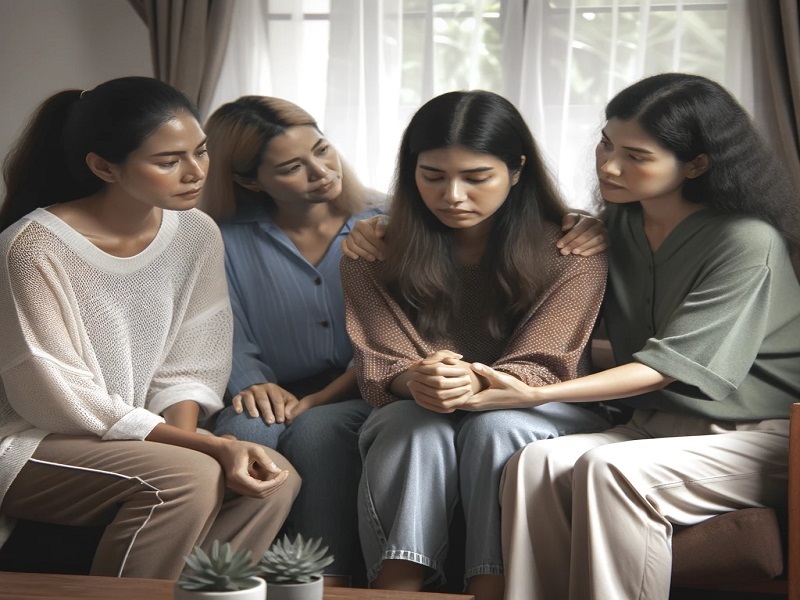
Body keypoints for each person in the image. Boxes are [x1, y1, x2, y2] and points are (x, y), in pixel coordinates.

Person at [466, 73, 800, 599]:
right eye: (605, 143)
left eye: (636, 157)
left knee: (608, 470)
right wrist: (377, 226)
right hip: (655, 427)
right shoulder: (614, 227)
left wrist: (536, 393)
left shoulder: (746, 242)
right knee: (536, 463)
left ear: (696, 164)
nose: (608, 165)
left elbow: (666, 364)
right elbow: (500, 228)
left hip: (761, 441)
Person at [0, 77, 300, 580]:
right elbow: (53, 395)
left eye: (201, 151)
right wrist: (205, 448)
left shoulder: (195, 233)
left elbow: (192, 363)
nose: (196, 172)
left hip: (135, 438)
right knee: (187, 478)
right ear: (103, 167)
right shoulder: (31, 247)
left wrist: (185, 443)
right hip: (30, 442)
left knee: (275, 478)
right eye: (168, 161)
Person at [340, 90, 613, 600]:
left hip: (537, 405)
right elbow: (381, 359)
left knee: (495, 424)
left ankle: (493, 585)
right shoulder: (372, 250)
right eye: (433, 176)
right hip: (418, 405)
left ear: (516, 170)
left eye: (476, 177)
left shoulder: (572, 247)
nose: (453, 196)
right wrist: (415, 379)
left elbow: (546, 362)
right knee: (409, 421)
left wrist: (473, 381)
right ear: (410, 170)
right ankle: (397, 587)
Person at [201, 96, 383, 585]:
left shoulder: (389, 219)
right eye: (291, 167)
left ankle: (325, 581)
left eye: (322, 150)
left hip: (365, 383)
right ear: (247, 180)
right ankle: (226, 584)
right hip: (269, 383)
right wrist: (249, 380)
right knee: (249, 432)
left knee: (318, 433)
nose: (322, 171)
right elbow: (221, 323)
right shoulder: (220, 237)